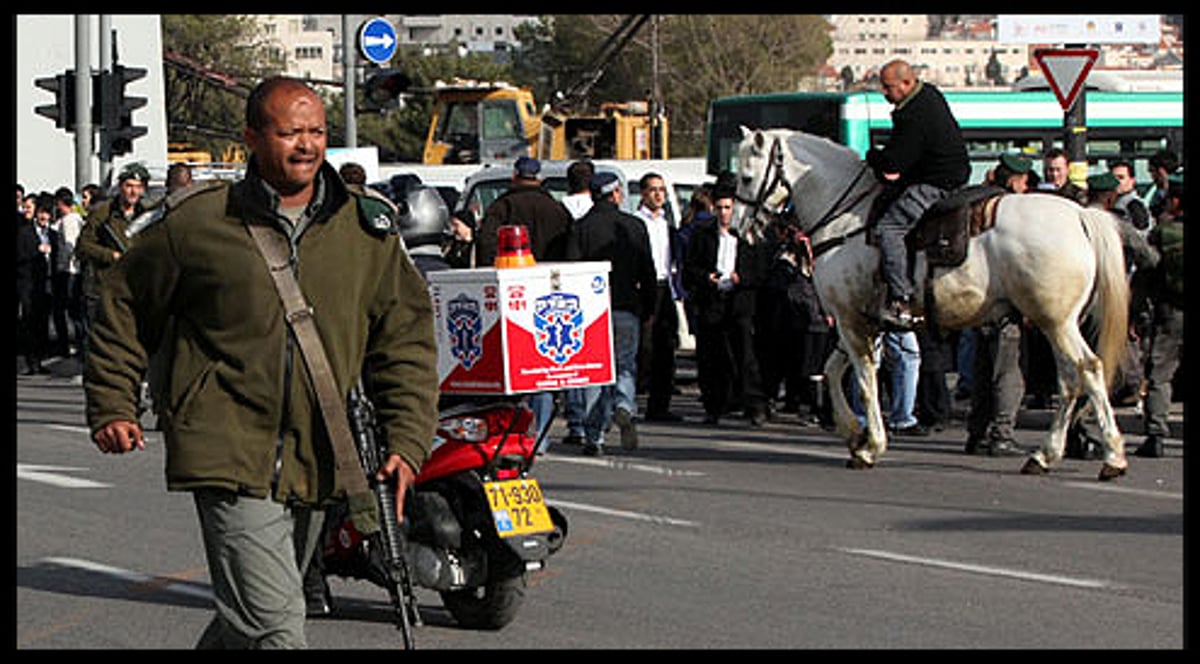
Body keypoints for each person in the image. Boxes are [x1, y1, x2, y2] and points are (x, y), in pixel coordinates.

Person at [83, 76, 439, 649]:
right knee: (274, 628)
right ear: (251, 137)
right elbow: (123, 303)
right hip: (226, 447)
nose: (306, 144)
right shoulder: (196, 224)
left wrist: (406, 442)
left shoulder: (365, 227)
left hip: (320, 453)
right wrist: (112, 403)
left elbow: (406, 341)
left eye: (317, 131)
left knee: (246, 622)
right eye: (289, 131)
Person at [867, 59, 970, 331]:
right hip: (955, 174)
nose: (885, 93)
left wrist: (873, 157)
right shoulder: (930, 93)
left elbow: (895, 163)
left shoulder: (912, 114)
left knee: (889, 229)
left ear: (907, 83)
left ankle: (901, 299)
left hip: (935, 182)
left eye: (889, 88)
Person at [474, 155, 572, 442]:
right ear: (539, 179)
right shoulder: (557, 209)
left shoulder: (501, 206)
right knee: (542, 366)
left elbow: (485, 245)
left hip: (511, 296)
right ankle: (540, 434)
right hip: (549, 296)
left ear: (515, 177)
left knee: (514, 366)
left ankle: (516, 431)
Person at [566, 171, 657, 456]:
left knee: (595, 374)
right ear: (616, 193)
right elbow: (648, 271)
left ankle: (594, 436)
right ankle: (624, 405)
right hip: (627, 307)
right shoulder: (634, 226)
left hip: (592, 312)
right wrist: (649, 307)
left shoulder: (581, 228)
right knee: (625, 365)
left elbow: (571, 271)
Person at [682, 186, 769, 426]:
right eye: (719, 208)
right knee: (711, 357)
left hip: (740, 303)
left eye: (728, 208)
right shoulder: (703, 235)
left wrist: (743, 278)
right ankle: (714, 406)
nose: (723, 213)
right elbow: (690, 268)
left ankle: (754, 405)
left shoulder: (748, 235)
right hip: (712, 301)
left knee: (745, 356)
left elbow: (761, 272)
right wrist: (705, 278)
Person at [75, 162, 150, 357]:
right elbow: (83, 246)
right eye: (129, 186)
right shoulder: (103, 214)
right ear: (121, 187)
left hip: (136, 287)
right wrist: (111, 255)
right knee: (104, 342)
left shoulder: (148, 215)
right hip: (106, 285)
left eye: (138, 186)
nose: (133, 191)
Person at [1133, 171, 1183, 458]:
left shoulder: (1163, 233)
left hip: (1171, 313)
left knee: (1160, 375)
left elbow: (1145, 274)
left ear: (1175, 201)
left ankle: (1156, 435)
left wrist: (1135, 312)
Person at [635, 171, 683, 422]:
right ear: (643, 193)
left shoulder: (667, 224)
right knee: (643, 347)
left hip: (665, 287)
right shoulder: (636, 222)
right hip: (644, 286)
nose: (658, 195)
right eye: (653, 190)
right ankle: (630, 402)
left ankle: (660, 405)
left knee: (666, 346)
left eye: (662, 190)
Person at [558, 159, 596, 449]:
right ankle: (593, 420)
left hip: (565, 291)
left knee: (569, 358)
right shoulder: (599, 212)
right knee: (594, 362)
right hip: (597, 293)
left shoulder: (562, 210)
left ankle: (576, 420)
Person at [17, 196, 58, 375]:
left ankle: (40, 360)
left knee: (42, 324)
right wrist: (37, 251)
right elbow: (19, 256)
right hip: (28, 284)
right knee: (29, 322)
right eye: (41, 213)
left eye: (47, 214)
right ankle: (30, 361)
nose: (44, 217)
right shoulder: (24, 233)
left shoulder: (54, 235)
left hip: (47, 284)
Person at [52, 187, 86, 356]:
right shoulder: (77, 219)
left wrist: (64, 266)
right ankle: (79, 344)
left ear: (60, 203)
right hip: (74, 270)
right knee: (75, 311)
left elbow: (69, 246)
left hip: (68, 271)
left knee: (70, 311)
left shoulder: (69, 221)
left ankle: (75, 345)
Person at [1108, 159, 1151, 234]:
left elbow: (1141, 231)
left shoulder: (1134, 204)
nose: (1116, 181)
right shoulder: (1114, 200)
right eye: (1113, 178)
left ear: (1132, 180)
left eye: (1121, 177)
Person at [1144, 149, 1179, 222]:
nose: (1152, 176)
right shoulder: (1154, 190)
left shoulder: (1176, 190)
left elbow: (1171, 211)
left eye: (1152, 171)